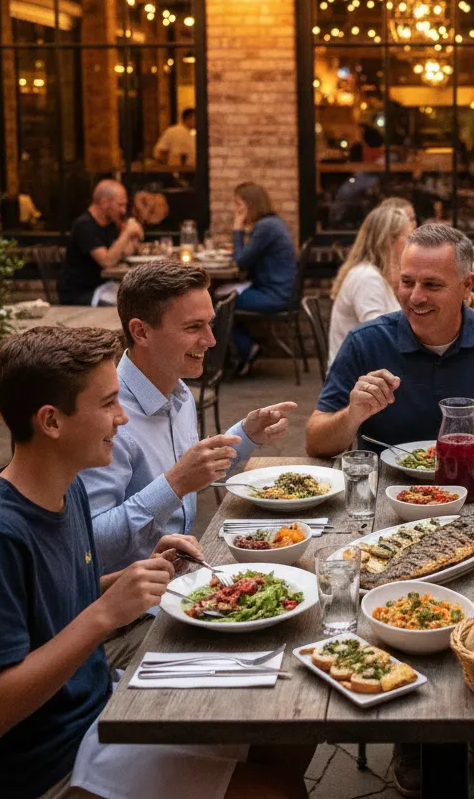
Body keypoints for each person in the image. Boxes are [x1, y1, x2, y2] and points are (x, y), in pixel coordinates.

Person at [0, 326, 311, 799]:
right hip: (47, 768)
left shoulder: (67, 487)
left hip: (103, 711)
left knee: (287, 723)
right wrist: (105, 614)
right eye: (107, 404)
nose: (122, 418)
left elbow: (49, 603)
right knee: (275, 789)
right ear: (51, 422)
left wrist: (130, 579)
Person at [307, 223, 474, 799]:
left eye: (432, 285)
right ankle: (412, 734)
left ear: (467, 285)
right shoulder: (369, 343)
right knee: (391, 598)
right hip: (393, 509)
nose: (414, 296)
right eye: (406, 281)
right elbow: (317, 438)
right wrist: (352, 415)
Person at [78, 263, 297, 668]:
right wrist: (173, 484)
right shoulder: (108, 415)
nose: (211, 340)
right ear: (141, 331)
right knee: (267, 654)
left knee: (295, 600)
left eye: (210, 324)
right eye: (194, 327)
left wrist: (245, 435)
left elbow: (195, 472)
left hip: (181, 580)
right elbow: (87, 545)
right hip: (119, 622)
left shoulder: (176, 390)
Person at [328, 203, 412, 363]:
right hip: (358, 377)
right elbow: (377, 336)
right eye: (408, 237)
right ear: (389, 240)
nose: (412, 245)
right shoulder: (367, 278)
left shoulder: (376, 274)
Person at [230, 181, 299, 376]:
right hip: (274, 290)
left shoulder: (266, 227)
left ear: (249, 204)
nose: (236, 209)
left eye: (238, 204)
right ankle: (242, 350)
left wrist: (237, 228)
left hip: (274, 295)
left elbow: (241, 261)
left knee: (219, 305)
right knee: (223, 301)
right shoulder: (271, 224)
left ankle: (247, 349)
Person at [58, 180, 144, 305]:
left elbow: (122, 252)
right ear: (104, 203)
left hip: (104, 286)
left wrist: (134, 239)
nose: (123, 211)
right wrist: (126, 233)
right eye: (120, 205)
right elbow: (107, 261)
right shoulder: (84, 225)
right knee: (130, 305)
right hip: (81, 293)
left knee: (141, 299)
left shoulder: (110, 224)